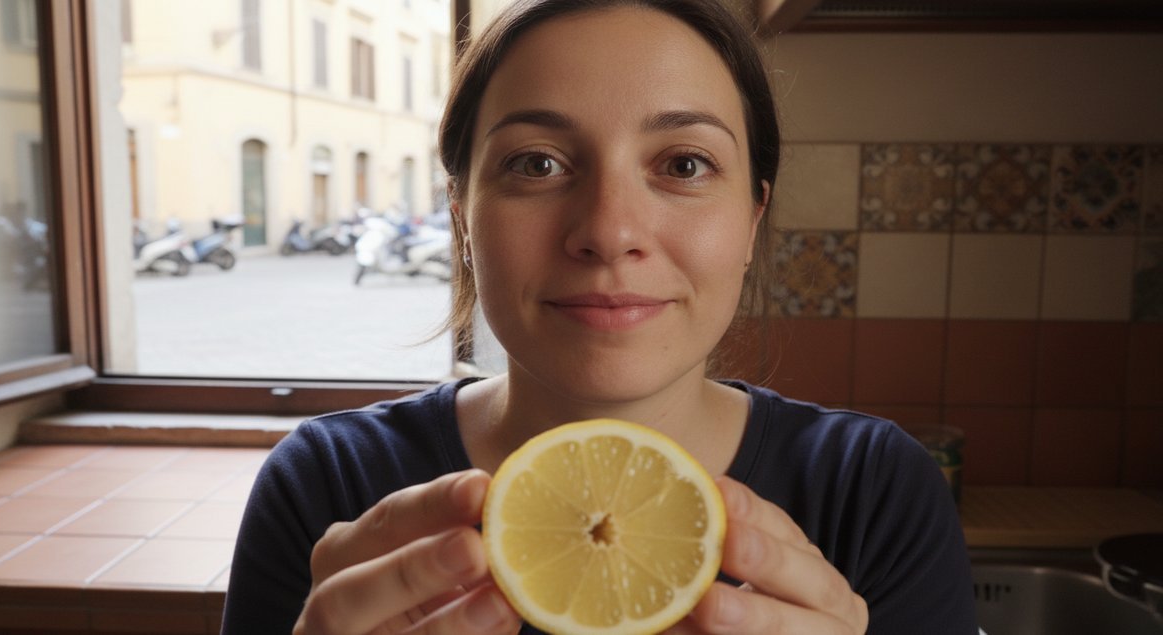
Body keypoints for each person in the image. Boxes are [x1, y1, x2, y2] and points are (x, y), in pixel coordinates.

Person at [221, 1, 978, 633]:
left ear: (753, 217)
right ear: (461, 218)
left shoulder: (874, 488)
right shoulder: (327, 486)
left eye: (683, 164)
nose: (610, 230)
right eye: (537, 163)